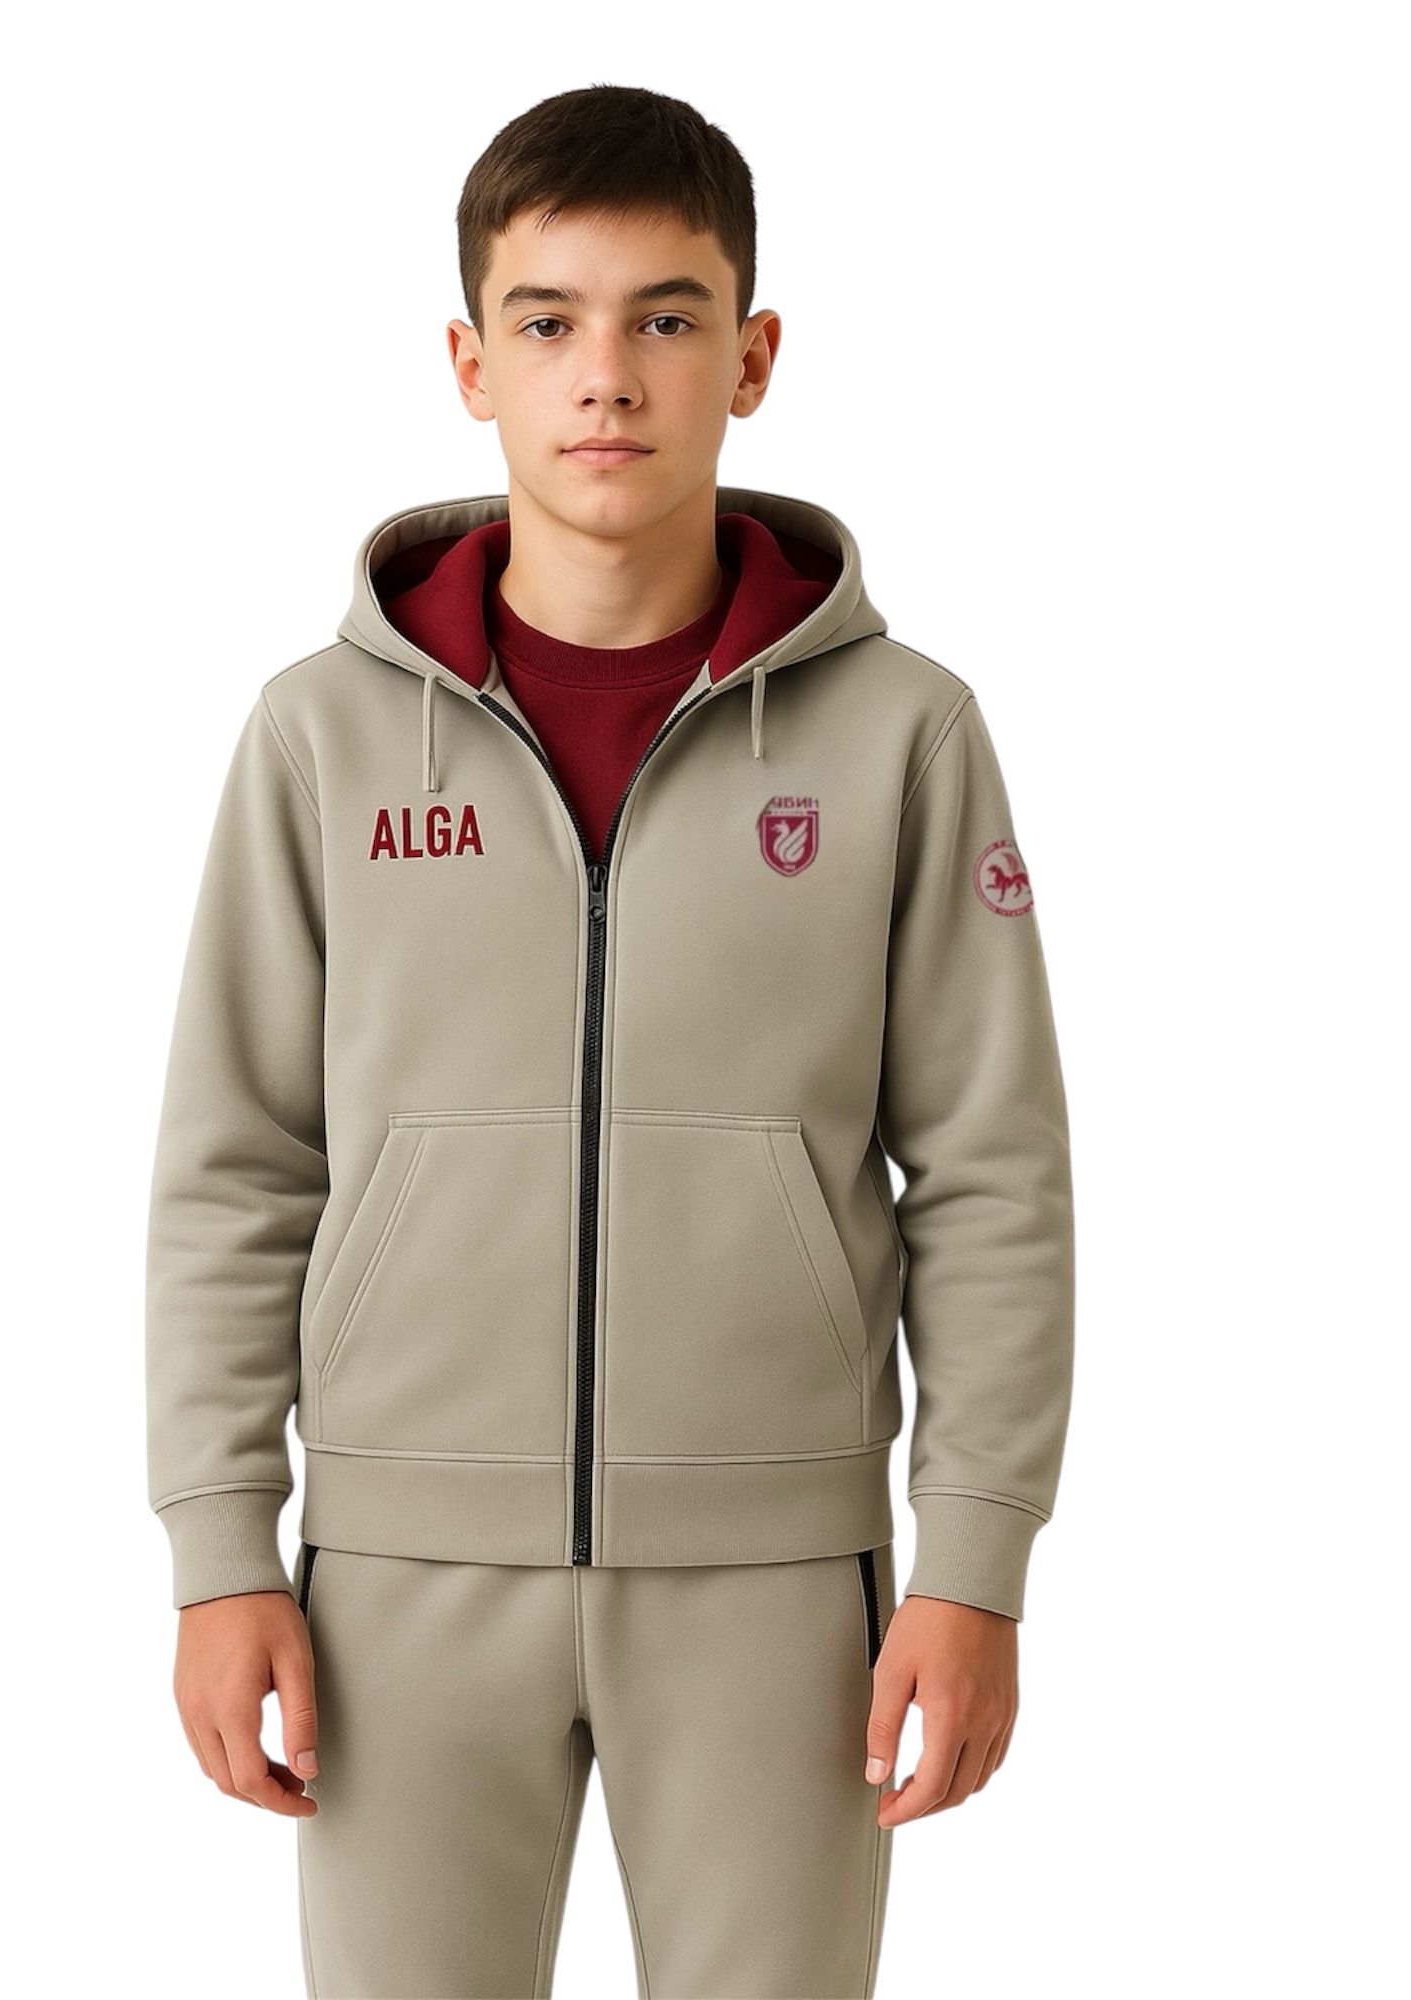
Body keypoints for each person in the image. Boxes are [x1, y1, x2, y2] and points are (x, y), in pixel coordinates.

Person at [144, 82, 1075, 2000]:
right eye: (550, 320)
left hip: (777, 1584)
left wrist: (973, 1561)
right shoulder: (323, 737)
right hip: (400, 1578)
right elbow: (237, 1165)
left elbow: (992, 1172)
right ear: (470, 363)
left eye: (667, 317)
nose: (608, 377)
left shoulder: (902, 733)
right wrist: (223, 1545)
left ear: (754, 357)